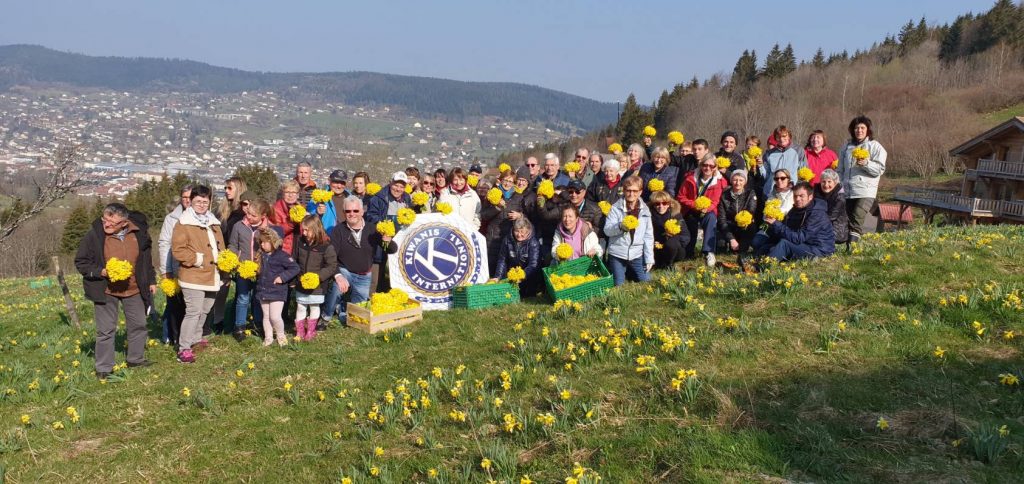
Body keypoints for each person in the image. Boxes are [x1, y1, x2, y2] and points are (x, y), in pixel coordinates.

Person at [75, 203, 155, 378]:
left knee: (139, 324)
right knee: (105, 330)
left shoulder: (138, 234)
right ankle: (104, 368)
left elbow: (146, 261)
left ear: (124, 223)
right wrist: (101, 272)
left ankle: (135, 359)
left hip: (133, 289)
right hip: (106, 289)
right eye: (105, 220)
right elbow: (81, 262)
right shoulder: (95, 235)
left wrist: (151, 280)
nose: (107, 224)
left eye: (113, 222)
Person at [170, 185, 225, 363]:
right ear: (191, 202)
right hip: (193, 276)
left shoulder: (213, 222)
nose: (201, 205)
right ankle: (184, 348)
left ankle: (195, 337)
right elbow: (178, 250)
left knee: (205, 309)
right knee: (193, 311)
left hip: (212, 275)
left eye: (205, 201)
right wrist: (198, 259)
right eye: (198, 201)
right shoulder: (183, 223)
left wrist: (225, 264)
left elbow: (220, 246)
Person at [328, 196, 398, 325]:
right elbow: (331, 257)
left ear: (362, 212)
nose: (352, 214)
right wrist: (338, 276)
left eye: (355, 211)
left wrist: (387, 240)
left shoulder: (372, 229)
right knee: (337, 288)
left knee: (357, 314)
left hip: (364, 275)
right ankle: (325, 317)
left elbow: (392, 250)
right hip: (345, 270)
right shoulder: (338, 231)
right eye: (348, 211)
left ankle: (342, 309)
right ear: (344, 213)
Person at [753, 182, 835, 262]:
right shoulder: (795, 209)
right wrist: (771, 225)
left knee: (784, 244)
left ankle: (763, 267)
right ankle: (752, 261)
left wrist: (776, 224)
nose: (797, 199)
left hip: (820, 249)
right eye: (795, 196)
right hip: (805, 244)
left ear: (810, 197)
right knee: (767, 246)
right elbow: (787, 230)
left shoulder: (817, 214)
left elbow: (798, 238)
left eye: (801, 196)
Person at [227, 198, 273, 342]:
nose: (249, 217)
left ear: (263, 216)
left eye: (254, 216)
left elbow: (273, 246)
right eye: (248, 214)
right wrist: (233, 260)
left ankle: (257, 323)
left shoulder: (268, 228)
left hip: (261, 270)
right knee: (242, 297)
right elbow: (233, 245)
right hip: (243, 268)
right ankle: (239, 326)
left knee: (258, 297)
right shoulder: (238, 226)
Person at [837, 115, 887, 244]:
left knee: (857, 217)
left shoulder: (875, 146)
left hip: (866, 191)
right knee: (848, 219)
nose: (859, 130)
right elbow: (840, 170)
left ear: (868, 130)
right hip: (848, 190)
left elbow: (879, 169)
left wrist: (866, 163)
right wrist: (840, 185)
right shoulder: (846, 147)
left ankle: (852, 248)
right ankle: (847, 246)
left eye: (862, 128)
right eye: (856, 128)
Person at [209, 177, 248, 336]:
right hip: (222, 255)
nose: (226, 191)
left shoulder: (242, 213)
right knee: (219, 289)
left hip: (238, 255)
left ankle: (235, 322)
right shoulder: (221, 211)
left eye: (230, 188)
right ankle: (217, 319)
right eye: (225, 188)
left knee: (239, 292)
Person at [365, 172, 412, 293]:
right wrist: (384, 225)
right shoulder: (378, 198)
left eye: (402, 186)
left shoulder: (407, 198)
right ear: (391, 182)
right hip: (380, 242)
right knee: (377, 275)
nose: (398, 189)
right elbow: (370, 216)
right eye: (396, 185)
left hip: (398, 242)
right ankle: (370, 300)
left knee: (395, 272)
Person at [604, 175, 654, 285]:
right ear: (624, 191)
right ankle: (620, 270)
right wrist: (620, 226)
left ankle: (630, 270)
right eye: (628, 190)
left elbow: (648, 236)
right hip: (617, 253)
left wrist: (649, 258)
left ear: (640, 192)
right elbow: (607, 230)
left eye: (635, 191)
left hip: (637, 254)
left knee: (646, 280)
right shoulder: (615, 208)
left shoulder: (645, 210)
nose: (631, 194)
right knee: (618, 284)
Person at [293, 215, 337, 341]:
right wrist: (297, 277)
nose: (304, 233)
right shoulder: (300, 242)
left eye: (307, 230)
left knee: (314, 306)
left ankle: (311, 331)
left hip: (318, 285)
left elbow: (332, 266)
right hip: (302, 282)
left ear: (316, 229)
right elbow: (295, 260)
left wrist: (318, 277)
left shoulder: (326, 246)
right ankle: (300, 332)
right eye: (303, 230)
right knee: (301, 306)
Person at [157, 184, 191, 345]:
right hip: (175, 267)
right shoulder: (171, 218)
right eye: (184, 197)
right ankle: (173, 336)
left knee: (190, 305)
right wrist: (166, 269)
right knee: (174, 305)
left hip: (194, 269)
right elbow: (164, 243)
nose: (187, 201)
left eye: (189, 197)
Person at [677, 153, 724, 267]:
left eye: (711, 166)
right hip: (690, 209)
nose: (707, 168)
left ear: (715, 168)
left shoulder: (718, 182)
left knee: (711, 218)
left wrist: (706, 208)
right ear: (701, 165)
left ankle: (709, 251)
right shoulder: (690, 179)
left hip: (707, 210)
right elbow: (680, 197)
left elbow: (715, 201)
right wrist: (695, 205)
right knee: (691, 221)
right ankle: (689, 251)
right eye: (705, 165)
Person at [255, 228, 300, 346]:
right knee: (266, 316)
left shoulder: (282, 255)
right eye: (261, 242)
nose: (262, 244)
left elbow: (295, 268)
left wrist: (282, 277)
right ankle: (268, 337)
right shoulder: (261, 255)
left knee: (275, 316)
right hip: (263, 290)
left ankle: (281, 335)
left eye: (265, 242)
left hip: (277, 291)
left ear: (273, 242)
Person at [481, 169, 525, 272]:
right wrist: (497, 208)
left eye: (510, 181)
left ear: (514, 183)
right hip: (493, 237)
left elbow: (527, 216)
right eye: (505, 180)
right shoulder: (492, 194)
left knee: (507, 268)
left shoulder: (518, 197)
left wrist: (520, 215)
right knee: (490, 267)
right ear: (500, 180)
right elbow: (484, 215)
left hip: (511, 237)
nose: (507, 183)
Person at [717, 170, 759, 268]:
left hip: (744, 226)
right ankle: (731, 245)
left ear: (745, 182)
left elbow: (751, 211)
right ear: (731, 181)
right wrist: (731, 239)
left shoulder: (750, 193)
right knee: (720, 244)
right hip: (730, 225)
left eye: (741, 180)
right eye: (735, 180)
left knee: (751, 225)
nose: (738, 183)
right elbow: (722, 219)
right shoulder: (724, 195)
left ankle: (743, 250)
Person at [493, 218, 542, 297]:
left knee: (527, 295)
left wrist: (522, 275)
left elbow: (533, 265)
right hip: (512, 274)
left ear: (528, 231)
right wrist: (497, 277)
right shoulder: (506, 240)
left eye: (522, 232)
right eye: (516, 231)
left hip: (528, 275)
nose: (519, 234)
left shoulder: (534, 243)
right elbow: (502, 260)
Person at [757, 126, 806, 197]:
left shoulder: (799, 151)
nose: (781, 139)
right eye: (778, 137)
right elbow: (766, 176)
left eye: (784, 136)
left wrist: (797, 189)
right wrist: (761, 166)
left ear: (789, 136)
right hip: (771, 193)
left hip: (791, 194)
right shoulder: (769, 153)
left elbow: (804, 173)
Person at [648, 190, 688, 270]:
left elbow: (685, 236)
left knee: (671, 243)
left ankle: (669, 264)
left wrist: (671, 238)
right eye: (657, 204)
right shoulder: (648, 215)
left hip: (674, 249)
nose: (661, 206)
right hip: (654, 248)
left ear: (669, 204)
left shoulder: (675, 215)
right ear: (653, 205)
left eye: (664, 203)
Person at [815, 169, 850, 245]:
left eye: (829, 182)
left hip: (837, 230)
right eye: (823, 182)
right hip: (819, 223)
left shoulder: (840, 198)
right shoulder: (816, 192)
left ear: (835, 183)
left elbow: (831, 217)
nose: (826, 185)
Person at [310, 169, 348, 235]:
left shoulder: (350, 197)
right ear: (329, 181)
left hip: (346, 236)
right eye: (336, 182)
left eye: (342, 183)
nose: (339, 186)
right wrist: (317, 212)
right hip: (326, 237)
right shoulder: (320, 195)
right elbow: (309, 216)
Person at [271, 180, 303, 257]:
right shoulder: (276, 209)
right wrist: (291, 222)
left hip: (298, 247)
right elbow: (276, 232)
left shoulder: (301, 208)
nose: (290, 195)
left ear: (298, 195)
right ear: (283, 194)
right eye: (287, 192)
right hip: (283, 248)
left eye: (293, 193)